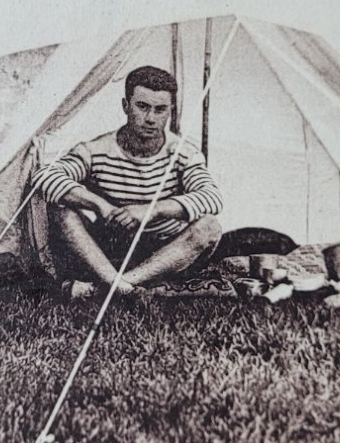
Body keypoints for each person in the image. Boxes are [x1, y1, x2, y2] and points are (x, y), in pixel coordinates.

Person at [34, 65, 223, 298]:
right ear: (126, 106)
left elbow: (212, 198)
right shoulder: (96, 150)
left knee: (209, 226)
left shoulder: (183, 153)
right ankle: (125, 287)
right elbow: (44, 176)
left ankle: (116, 286)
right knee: (60, 212)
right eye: (142, 107)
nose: (150, 119)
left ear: (170, 111)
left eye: (160, 110)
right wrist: (100, 206)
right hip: (111, 249)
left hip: (165, 251)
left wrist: (151, 211)